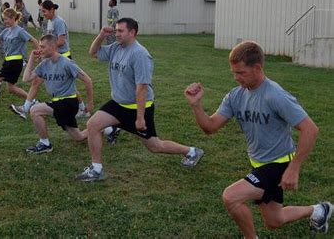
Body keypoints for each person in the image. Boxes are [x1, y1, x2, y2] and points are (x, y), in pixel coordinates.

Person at [184, 41, 332, 238]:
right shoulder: (235, 96)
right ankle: (318, 210)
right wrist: (196, 105)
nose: (236, 78)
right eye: (234, 73)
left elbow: (310, 130)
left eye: (241, 73)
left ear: (257, 68)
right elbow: (210, 127)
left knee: (231, 197)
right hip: (259, 163)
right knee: (274, 220)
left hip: (278, 164)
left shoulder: (275, 95)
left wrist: (293, 168)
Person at [75, 18, 204, 182]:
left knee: (155, 146)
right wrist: (101, 35)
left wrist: (140, 117)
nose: (117, 34)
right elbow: (93, 53)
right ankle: (97, 169)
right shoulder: (116, 47)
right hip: (118, 103)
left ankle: (191, 151)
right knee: (92, 124)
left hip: (138, 106)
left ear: (133, 32)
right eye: (116, 30)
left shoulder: (140, 54)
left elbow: (142, 88)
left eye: (121, 31)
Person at [21, 34, 94, 154]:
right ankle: (105, 129)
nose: (39, 50)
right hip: (58, 102)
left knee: (35, 110)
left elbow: (88, 80)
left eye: (43, 47)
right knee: (78, 137)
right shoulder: (44, 64)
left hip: (68, 102)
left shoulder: (66, 63)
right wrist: (32, 59)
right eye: (39, 47)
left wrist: (90, 103)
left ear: (53, 47)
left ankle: (45, 144)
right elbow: (26, 79)